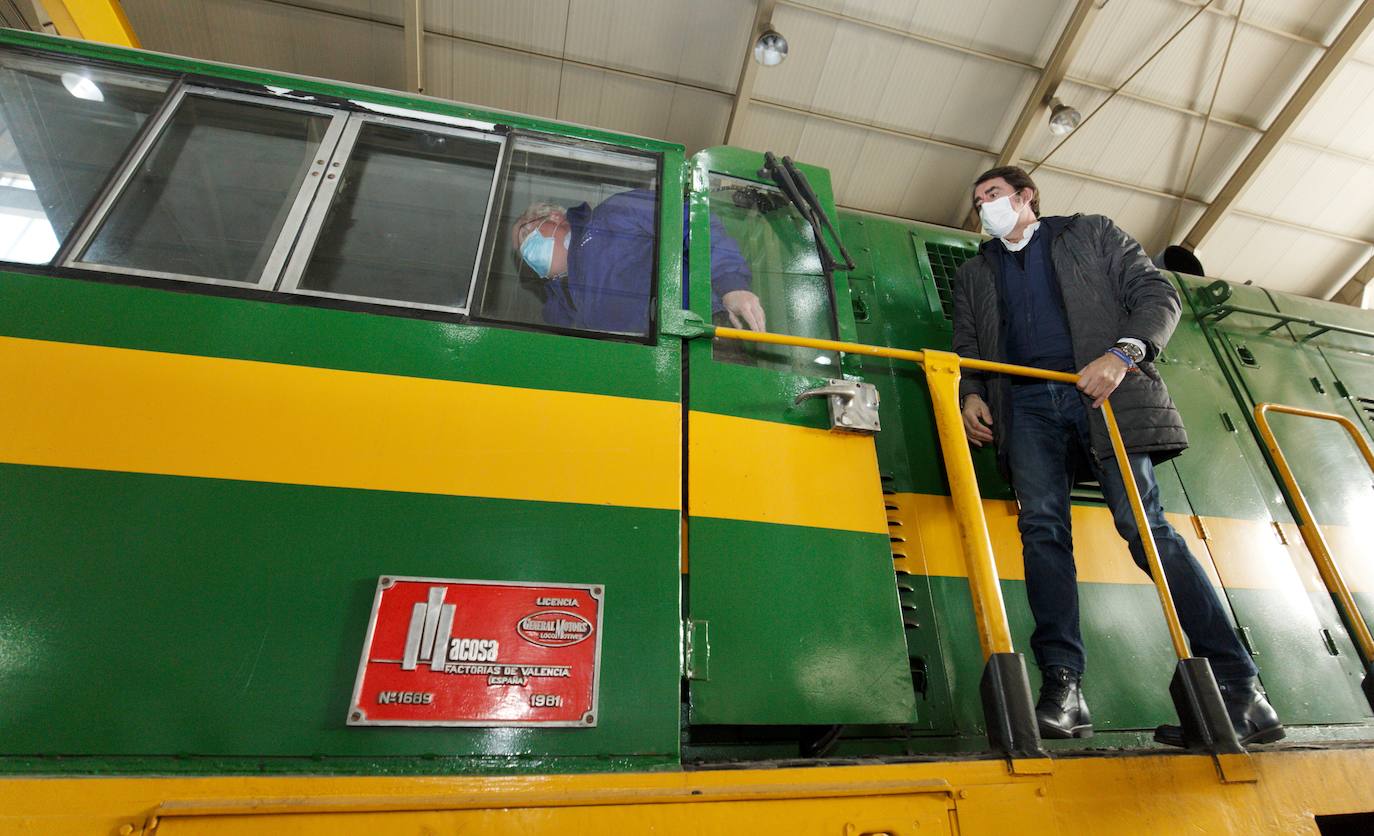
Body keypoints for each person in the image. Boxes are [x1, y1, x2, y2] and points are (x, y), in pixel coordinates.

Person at [951, 165, 1283, 746]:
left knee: (1145, 530)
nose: (986, 207)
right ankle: (1064, 689)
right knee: (1041, 532)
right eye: (978, 201)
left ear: (1027, 196)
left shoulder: (1092, 233)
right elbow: (968, 342)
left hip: (1101, 393)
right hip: (1024, 406)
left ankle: (1240, 688)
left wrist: (1122, 355)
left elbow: (1157, 294)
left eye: (994, 195)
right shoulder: (978, 271)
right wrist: (972, 392)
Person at [511, 190, 766, 335]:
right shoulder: (565, 306)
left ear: (554, 216)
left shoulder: (611, 215)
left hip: (706, 328)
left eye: (526, 234)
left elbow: (691, 221)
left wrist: (731, 284)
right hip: (659, 370)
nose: (526, 250)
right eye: (521, 252)